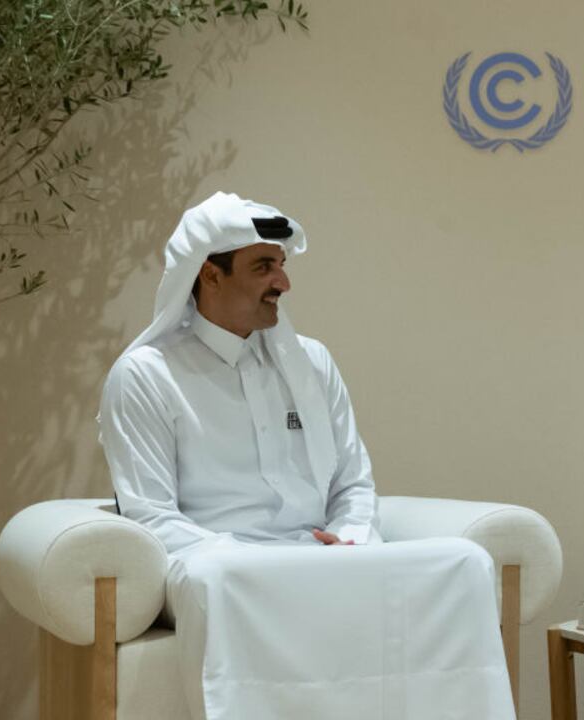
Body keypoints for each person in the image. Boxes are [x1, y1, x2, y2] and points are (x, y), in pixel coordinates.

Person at [99, 191, 515, 720]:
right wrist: (250, 556)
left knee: (467, 561)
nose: (283, 283)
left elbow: (353, 485)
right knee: (218, 579)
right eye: (263, 267)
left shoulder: (311, 362)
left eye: (282, 265)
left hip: (324, 557)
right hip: (222, 563)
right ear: (210, 275)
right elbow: (151, 515)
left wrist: (351, 537)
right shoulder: (146, 374)